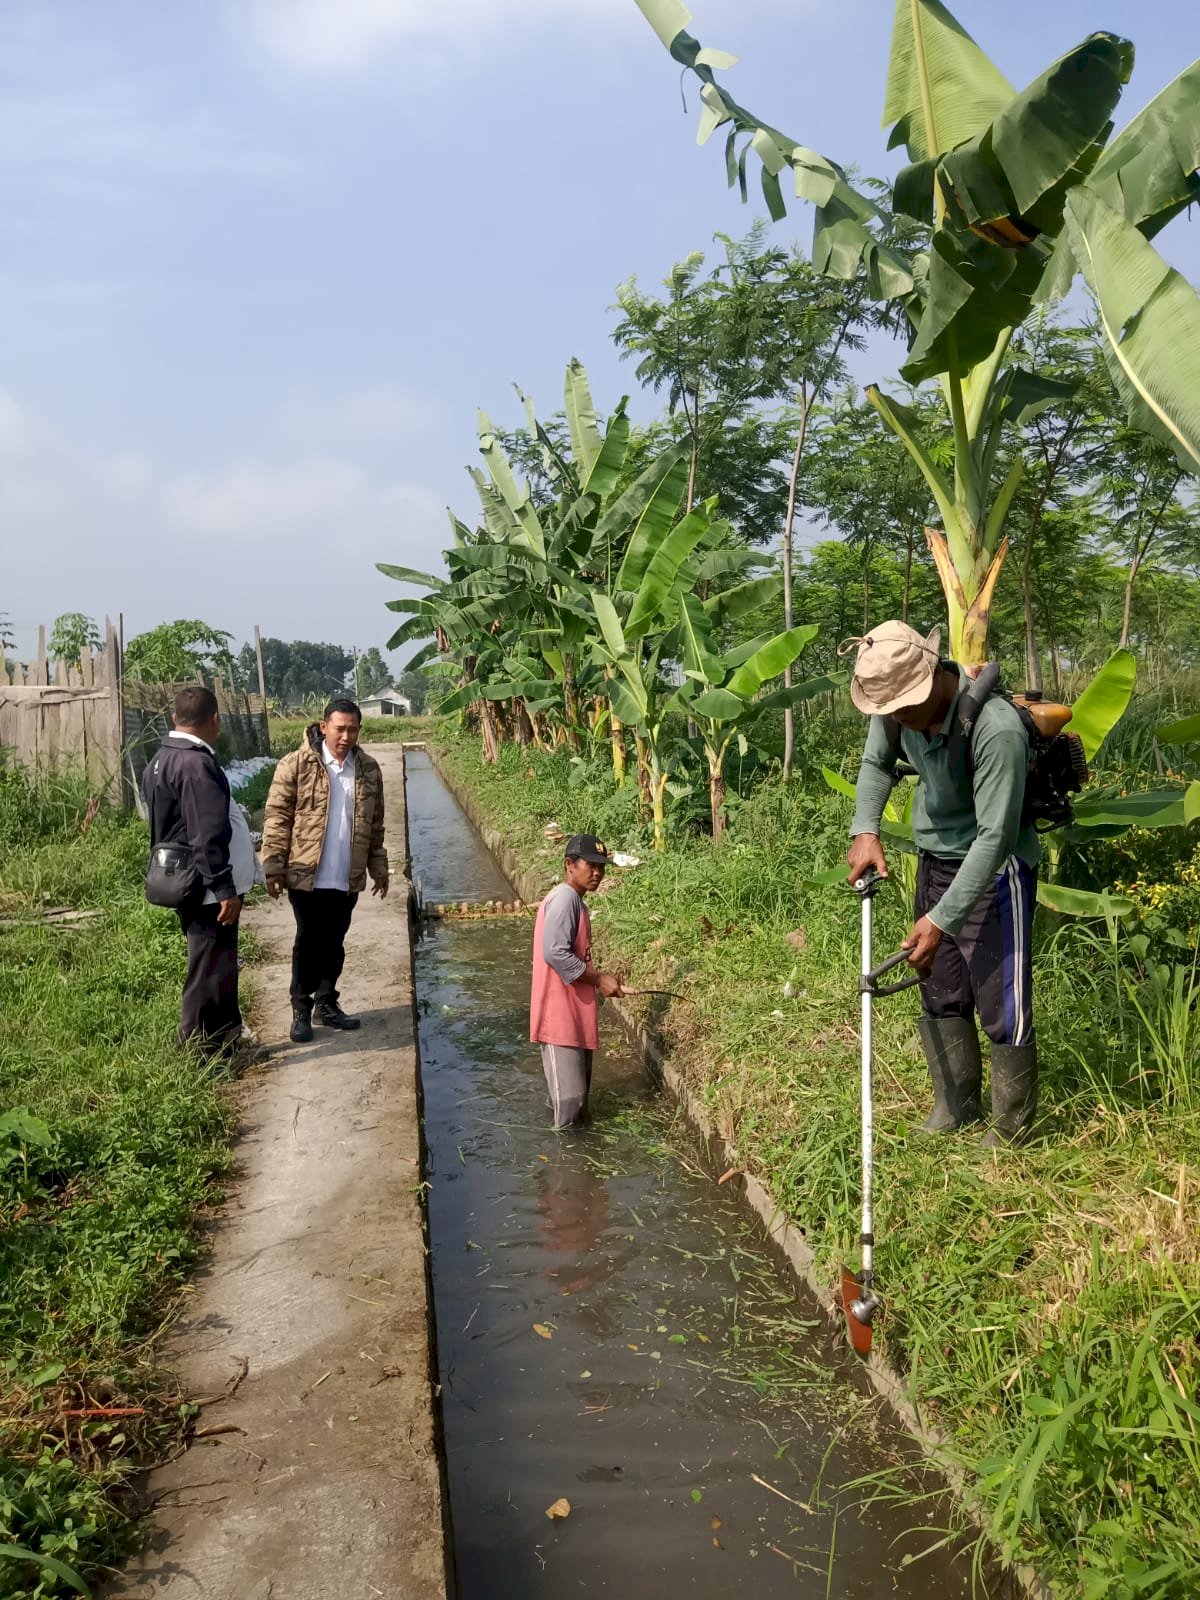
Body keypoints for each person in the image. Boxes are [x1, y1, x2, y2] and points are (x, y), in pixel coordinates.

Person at [845, 620, 1040, 1146]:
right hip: (936, 859)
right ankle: (955, 1104)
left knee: (1002, 1001)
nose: (897, 717)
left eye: (905, 706)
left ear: (932, 675)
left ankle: (1012, 1126)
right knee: (940, 985)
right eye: (889, 709)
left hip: (996, 869)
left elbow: (995, 838)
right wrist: (866, 829)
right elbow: (875, 763)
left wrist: (940, 920)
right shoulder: (894, 710)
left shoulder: (996, 729)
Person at [261, 698, 388, 1043]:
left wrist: (379, 867)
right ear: (323, 727)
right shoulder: (296, 765)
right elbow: (277, 818)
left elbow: (375, 824)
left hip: (346, 875)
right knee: (309, 939)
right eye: (340, 729)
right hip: (306, 873)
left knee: (335, 942)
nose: (346, 736)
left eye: (353, 729)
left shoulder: (369, 769)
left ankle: (327, 1003)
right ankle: (300, 1008)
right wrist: (273, 866)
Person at [143, 686, 259, 1056]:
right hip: (205, 885)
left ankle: (226, 1040)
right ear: (215, 720)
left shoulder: (161, 758)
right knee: (206, 967)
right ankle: (194, 1050)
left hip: (186, 878)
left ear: (174, 718)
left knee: (220, 963)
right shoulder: (195, 765)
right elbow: (206, 833)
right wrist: (223, 887)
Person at [530, 835, 625, 1128]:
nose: (597, 873)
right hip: (559, 1017)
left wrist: (600, 980)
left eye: (601, 867)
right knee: (569, 1104)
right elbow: (554, 952)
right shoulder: (565, 899)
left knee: (576, 1102)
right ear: (569, 865)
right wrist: (598, 979)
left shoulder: (576, 903)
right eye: (590, 865)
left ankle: (574, 1152)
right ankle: (563, 1156)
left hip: (573, 1015)